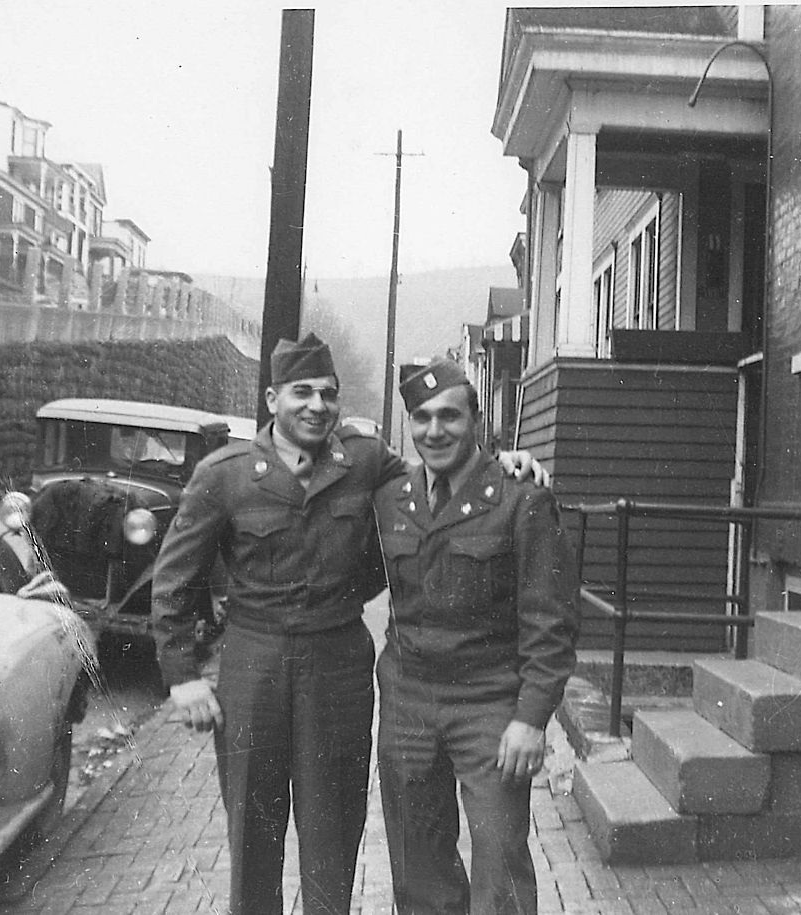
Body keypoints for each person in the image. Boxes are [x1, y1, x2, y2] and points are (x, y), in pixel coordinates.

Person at [151, 334, 546, 915]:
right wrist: (182, 674)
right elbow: (174, 579)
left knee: (332, 827)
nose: (316, 405)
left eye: (328, 394)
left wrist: (503, 463)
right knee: (253, 826)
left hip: (338, 662)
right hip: (254, 662)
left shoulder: (363, 461)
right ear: (271, 399)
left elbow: (434, 477)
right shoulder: (225, 474)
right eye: (301, 392)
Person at [375, 359, 579, 915]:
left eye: (449, 416)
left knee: (500, 860)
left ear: (477, 421)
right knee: (418, 860)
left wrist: (532, 718)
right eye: (421, 418)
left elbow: (551, 622)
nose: (434, 431)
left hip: (489, 705)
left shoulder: (521, 500)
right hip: (408, 704)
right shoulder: (393, 498)